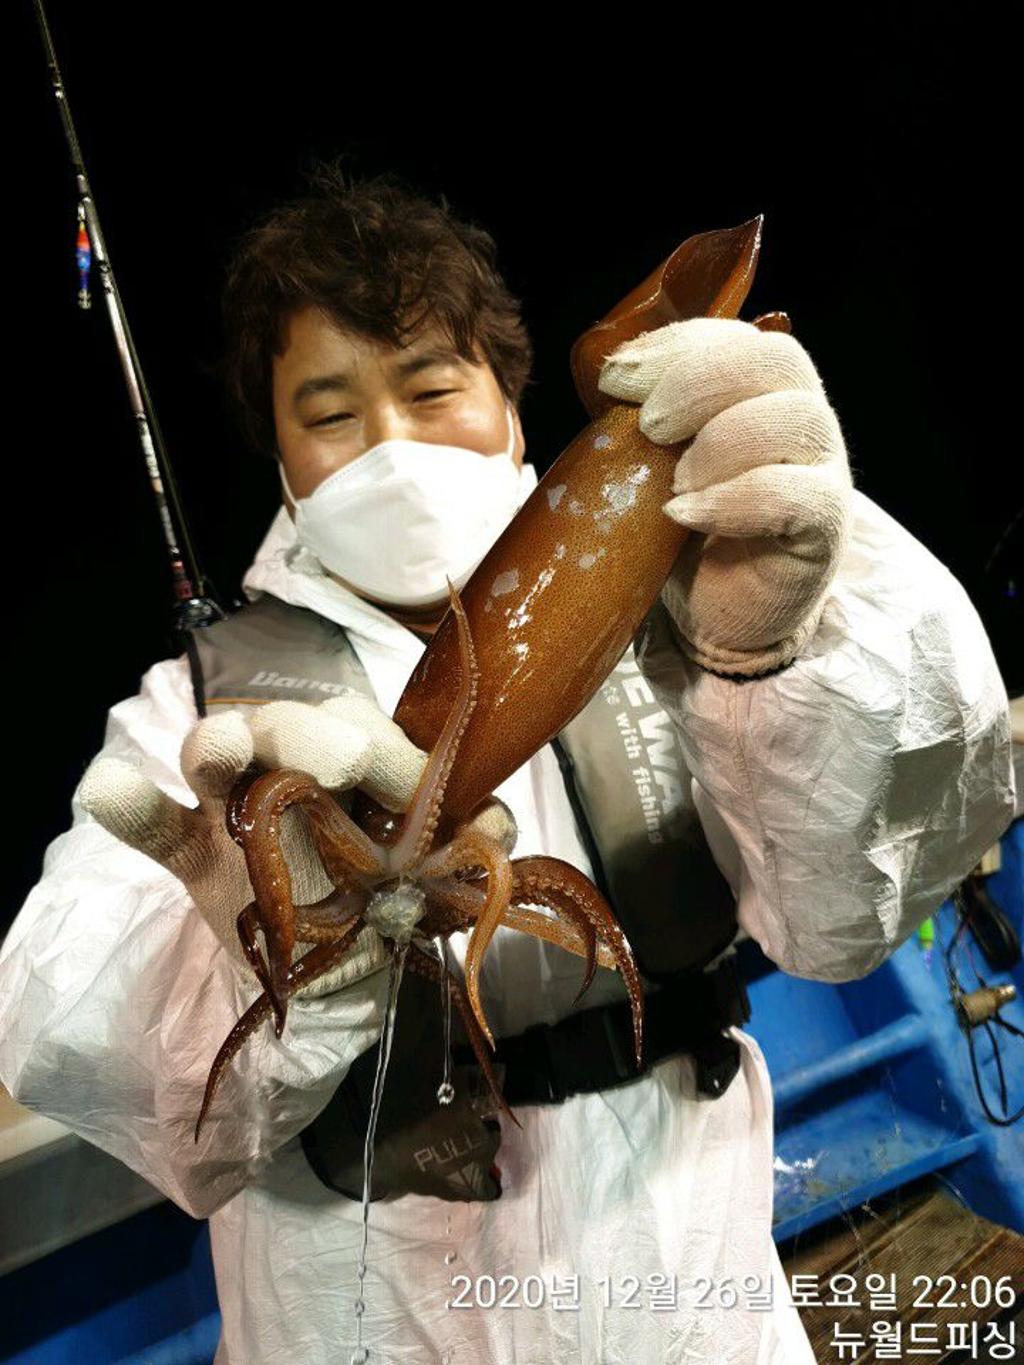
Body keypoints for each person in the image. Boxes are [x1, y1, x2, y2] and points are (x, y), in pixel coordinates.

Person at [0, 167, 1015, 1365]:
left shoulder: (682, 609)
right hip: (364, 1309)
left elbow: (845, 921)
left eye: (432, 388)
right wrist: (262, 961)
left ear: (514, 410)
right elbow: (90, 1048)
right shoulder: (204, 713)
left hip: (681, 1280)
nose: (389, 445)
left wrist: (777, 652)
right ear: (280, 462)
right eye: (329, 417)